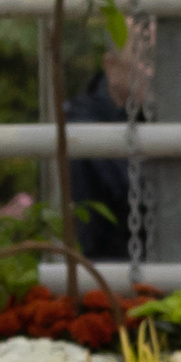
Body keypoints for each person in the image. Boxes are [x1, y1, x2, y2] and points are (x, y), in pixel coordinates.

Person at [67, 24, 155, 259]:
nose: (154, 73)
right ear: (111, 68)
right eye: (147, 59)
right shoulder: (84, 136)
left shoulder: (163, 117)